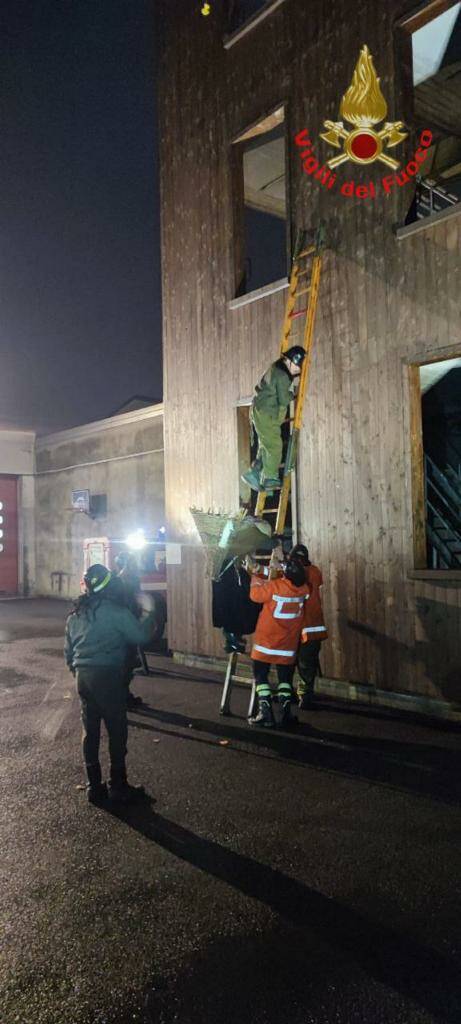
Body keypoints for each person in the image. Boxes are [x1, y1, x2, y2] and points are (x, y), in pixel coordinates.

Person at [65, 564, 156, 805]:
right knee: (117, 730)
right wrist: (150, 614)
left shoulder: (76, 614)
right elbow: (140, 636)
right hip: (108, 677)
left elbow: (69, 653)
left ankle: (94, 787)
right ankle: (118, 785)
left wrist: (79, 670)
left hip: (83, 678)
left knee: (90, 731)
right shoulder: (116, 611)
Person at [247, 557, 310, 729]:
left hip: (265, 643)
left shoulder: (275, 587)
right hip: (287, 646)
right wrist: (272, 570)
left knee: (261, 676)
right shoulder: (304, 590)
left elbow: (255, 595)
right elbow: (286, 581)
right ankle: (285, 714)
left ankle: (265, 714)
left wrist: (256, 577)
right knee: (285, 680)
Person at [241, 346, 306, 493]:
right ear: (289, 361)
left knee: (265, 445)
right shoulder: (283, 376)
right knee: (275, 446)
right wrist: (294, 394)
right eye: (297, 368)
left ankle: (255, 472)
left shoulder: (276, 367)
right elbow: (283, 400)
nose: (297, 372)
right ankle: (269, 478)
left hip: (259, 410)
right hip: (266, 413)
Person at [289, 544, 328, 709]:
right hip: (313, 628)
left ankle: (295, 695)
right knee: (307, 664)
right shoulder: (315, 571)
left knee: (295, 662)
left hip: (298, 628)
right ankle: (305, 695)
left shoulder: (292, 574)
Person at [212, 555, 261, 654]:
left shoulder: (224, 568)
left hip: (234, 610)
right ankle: (233, 642)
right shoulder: (229, 569)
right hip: (236, 609)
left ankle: (233, 643)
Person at [114, 552, 144, 708]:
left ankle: (123, 696)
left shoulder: (123, 578)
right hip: (127, 626)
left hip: (124, 625)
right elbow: (132, 603)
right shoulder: (128, 579)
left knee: (127, 663)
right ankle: (123, 697)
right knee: (127, 663)